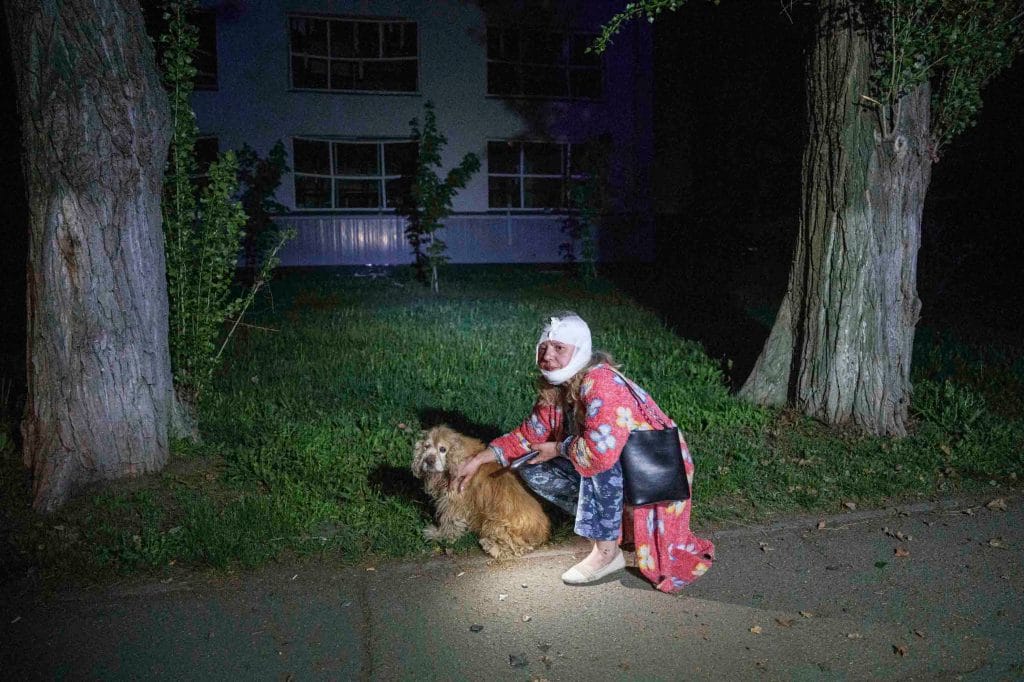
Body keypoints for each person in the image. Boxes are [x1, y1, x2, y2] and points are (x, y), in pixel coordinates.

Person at [452, 313, 715, 591]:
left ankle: (606, 552)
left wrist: (558, 448)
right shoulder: (558, 388)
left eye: (559, 348)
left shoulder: (600, 382)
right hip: (626, 471)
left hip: (656, 473)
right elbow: (530, 436)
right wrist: (480, 458)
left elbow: (600, 454)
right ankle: (617, 527)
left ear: (579, 351)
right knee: (531, 464)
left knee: (597, 464)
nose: (547, 356)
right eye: (543, 347)